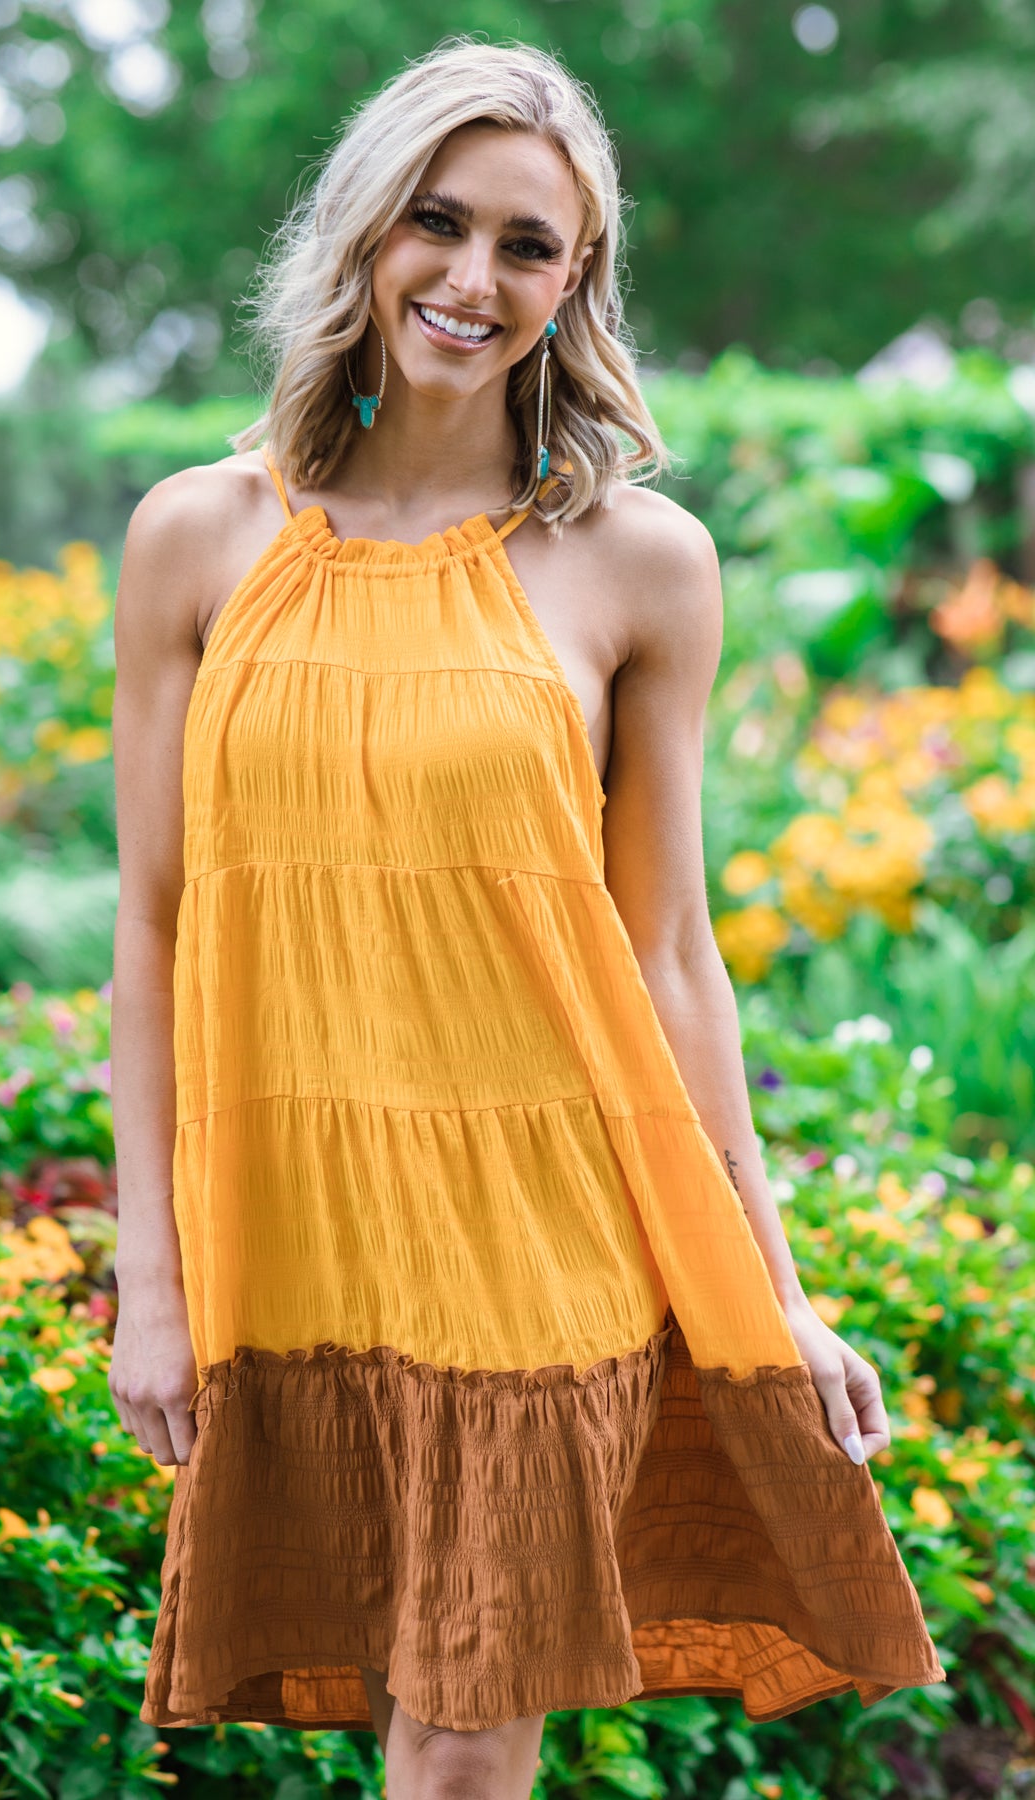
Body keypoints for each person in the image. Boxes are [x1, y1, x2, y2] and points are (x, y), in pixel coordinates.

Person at [108, 36, 943, 1800]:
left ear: (578, 285)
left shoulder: (638, 563)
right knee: (394, 1693)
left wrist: (770, 1293)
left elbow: (667, 955)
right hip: (302, 1227)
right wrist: (155, 1279)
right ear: (366, 234)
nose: (473, 280)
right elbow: (155, 930)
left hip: (542, 1229)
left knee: (470, 1708)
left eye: (527, 246)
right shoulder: (196, 540)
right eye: (439, 223)